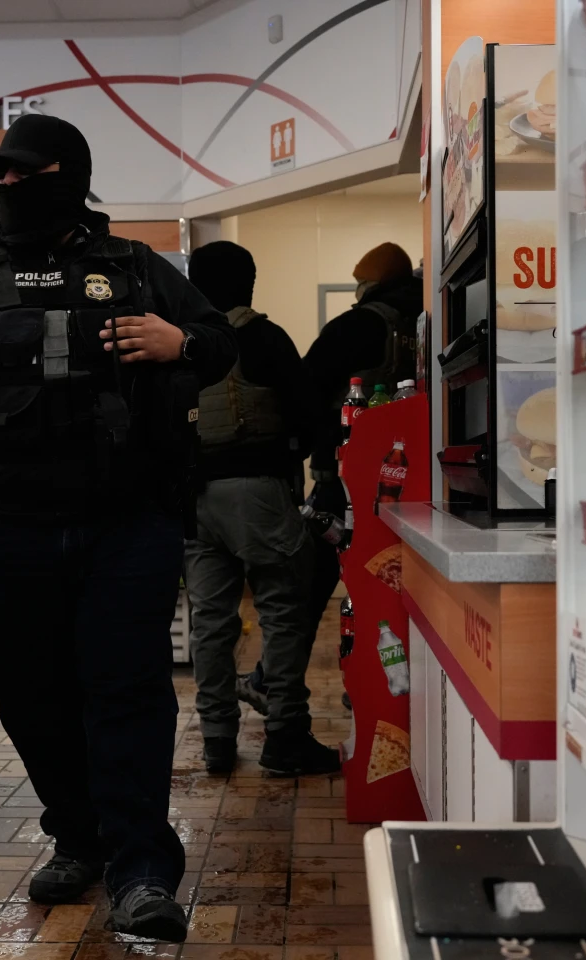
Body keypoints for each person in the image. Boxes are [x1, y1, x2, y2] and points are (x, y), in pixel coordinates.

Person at [0, 114, 236, 943]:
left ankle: (142, 870)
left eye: (22, 173)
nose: (6, 187)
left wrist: (180, 341)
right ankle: (79, 836)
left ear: (68, 176)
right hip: (5, 529)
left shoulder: (136, 267)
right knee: (32, 701)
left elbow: (219, 343)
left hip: (126, 525)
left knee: (127, 693)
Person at [183, 241, 341, 778]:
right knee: (283, 610)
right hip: (259, 493)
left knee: (210, 621)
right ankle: (285, 736)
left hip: (194, 500)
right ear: (247, 282)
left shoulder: (180, 343)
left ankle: (217, 739)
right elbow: (307, 411)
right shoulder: (263, 337)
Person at [243, 243, 421, 701]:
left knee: (308, 582)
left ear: (371, 284)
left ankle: (271, 682)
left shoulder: (358, 325)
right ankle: (380, 684)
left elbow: (304, 389)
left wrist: (299, 450)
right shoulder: (424, 317)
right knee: (391, 585)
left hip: (343, 480)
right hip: (409, 476)